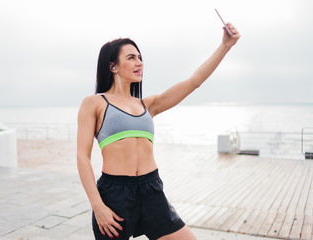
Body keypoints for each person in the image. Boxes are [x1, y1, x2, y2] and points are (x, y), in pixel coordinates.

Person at [77, 23, 240, 240]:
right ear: (113, 66)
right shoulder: (94, 103)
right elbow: (82, 157)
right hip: (115, 194)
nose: (139, 63)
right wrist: (98, 206)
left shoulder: (148, 105)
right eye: (131, 57)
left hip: (151, 189)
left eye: (140, 57)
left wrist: (225, 46)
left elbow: (194, 81)